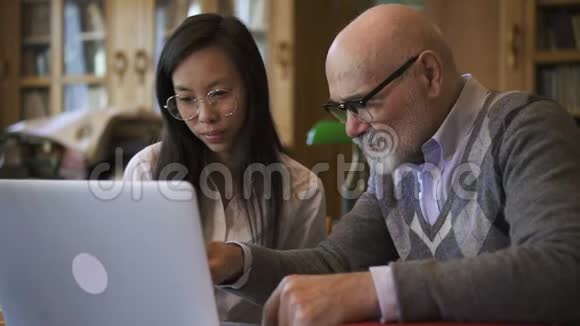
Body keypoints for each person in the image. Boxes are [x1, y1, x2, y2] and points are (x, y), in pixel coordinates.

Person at [208, 4, 580, 325]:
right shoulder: (396, 160)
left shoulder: (526, 127)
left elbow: (564, 267)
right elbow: (335, 264)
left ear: (429, 74)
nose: (352, 128)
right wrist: (235, 261)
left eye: (362, 103)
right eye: (341, 109)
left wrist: (379, 288)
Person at [123, 13, 326, 323]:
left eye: (218, 94)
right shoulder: (146, 171)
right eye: (186, 99)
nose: (205, 115)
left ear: (252, 88)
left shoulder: (301, 189)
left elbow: (303, 301)